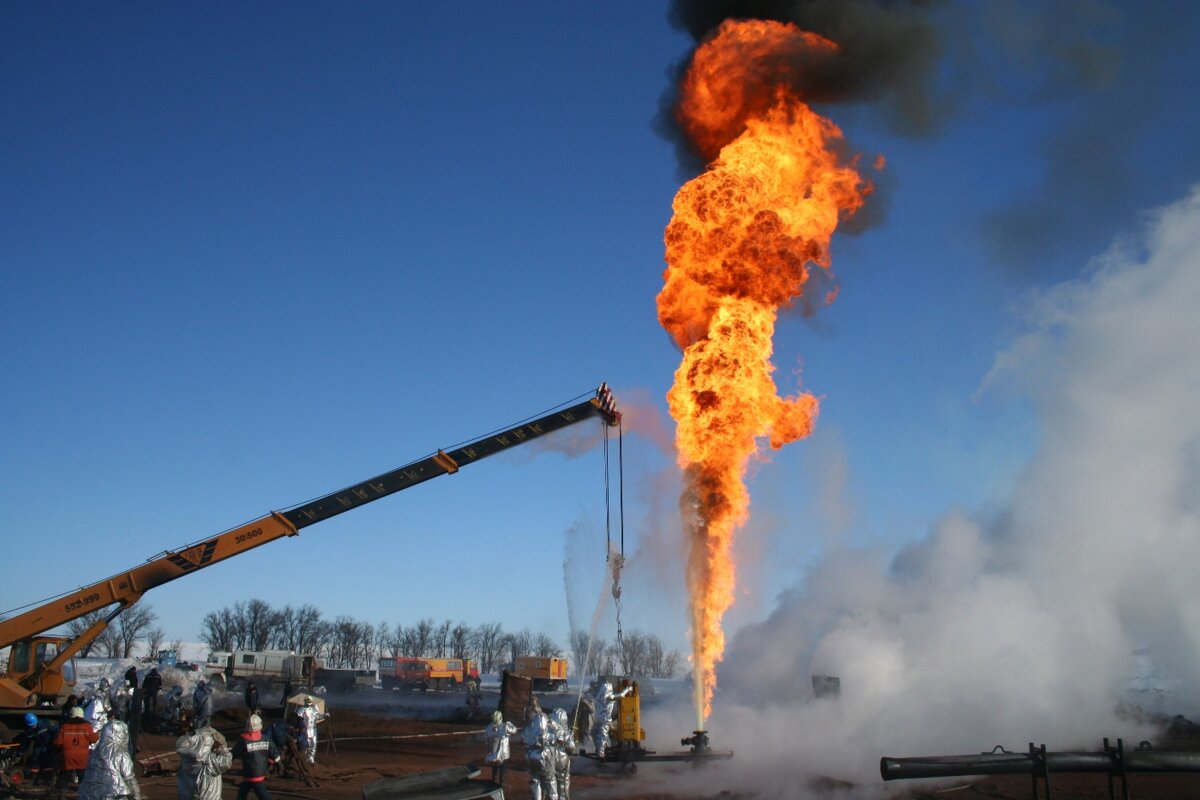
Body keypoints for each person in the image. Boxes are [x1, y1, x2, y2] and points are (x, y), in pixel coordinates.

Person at [78, 720, 141, 800]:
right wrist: (136, 796)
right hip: (114, 792)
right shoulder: (121, 754)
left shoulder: (95, 751)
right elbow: (129, 778)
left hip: (89, 793)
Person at [176, 721, 232, 800]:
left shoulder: (185, 759)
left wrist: (197, 733)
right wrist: (222, 746)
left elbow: (180, 743)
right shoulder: (209, 760)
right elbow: (227, 761)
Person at [232, 714, 279, 800]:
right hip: (260, 774)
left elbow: (233, 754)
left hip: (248, 773)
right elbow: (275, 753)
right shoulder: (265, 739)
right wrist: (277, 762)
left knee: (254, 794)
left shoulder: (243, 741)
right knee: (247, 792)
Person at [55, 706, 100, 789]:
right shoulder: (87, 726)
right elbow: (93, 739)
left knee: (64, 776)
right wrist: (97, 734)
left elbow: (58, 742)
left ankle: (61, 793)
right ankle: (84, 793)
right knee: (83, 776)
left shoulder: (65, 726)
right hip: (82, 756)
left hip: (68, 756)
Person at [521, 698, 556, 800]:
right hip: (545, 758)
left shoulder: (529, 731)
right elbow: (557, 738)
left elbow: (523, 738)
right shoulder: (548, 733)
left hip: (532, 756)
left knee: (535, 781)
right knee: (550, 780)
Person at [589, 680, 629, 759]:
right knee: (602, 735)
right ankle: (601, 752)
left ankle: (601, 749)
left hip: (598, 719)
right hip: (605, 720)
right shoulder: (609, 697)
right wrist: (627, 689)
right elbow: (621, 695)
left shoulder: (599, 697)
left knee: (596, 733)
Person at [15, 712, 56, 784]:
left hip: (49, 746)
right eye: (31, 725)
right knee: (35, 762)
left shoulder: (46, 724)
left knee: (49, 763)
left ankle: (49, 780)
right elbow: (25, 743)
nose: (33, 726)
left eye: (34, 725)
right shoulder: (29, 731)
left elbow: (56, 733)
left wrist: (56, 744)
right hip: (38, 746)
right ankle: (34, 780)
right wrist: (20, 752)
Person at [548, 708, 576, 800]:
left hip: (549, 760)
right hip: (562, 762)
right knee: (562, 781)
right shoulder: (565, 733)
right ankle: (563, 797)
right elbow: (572, 748)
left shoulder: (546, 730)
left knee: (549, 780)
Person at [483, 710, 517, 785]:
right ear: (501, 718)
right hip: (503, 753)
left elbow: (486, 741)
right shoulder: (505, 727)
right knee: (503, 769)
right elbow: (514, 730)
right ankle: (501, 784)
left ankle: (493, 782)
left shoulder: (488, 728)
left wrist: (488, 752)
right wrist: (509, 724)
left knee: (495, 768)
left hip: (493, 753)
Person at [295, 696, 323, 764]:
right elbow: (297, 719)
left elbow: (319, 717)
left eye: (310, 702)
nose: (309, 703)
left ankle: (311, 758)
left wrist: (324, 714)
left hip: (313, 729)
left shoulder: (314, 709)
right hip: (305, 729)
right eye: (308, 702)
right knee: (305, 744)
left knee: (313, 744)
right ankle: (304, 759)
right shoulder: (301, 710)